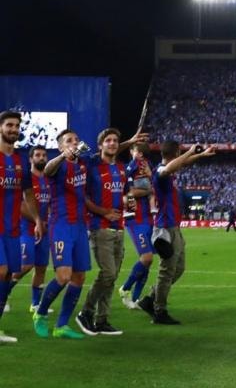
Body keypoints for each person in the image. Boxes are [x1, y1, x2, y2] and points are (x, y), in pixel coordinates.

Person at [75, 128, 144, 336]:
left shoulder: (122, 168)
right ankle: (86, 312)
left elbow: (127, 193)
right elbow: (84, 197)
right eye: (108, 140)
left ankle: (102, 320)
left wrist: (130, 204)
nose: (112, 143)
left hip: (119, 228)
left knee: (112, 277)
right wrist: (103, 211)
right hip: (100, 227)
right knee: (108, 273)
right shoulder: (92, 165)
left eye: (115, 140)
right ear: (100, 145)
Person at [137, 141, 215, 325]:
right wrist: (189, 152)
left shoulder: (169, 171)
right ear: (177, 152)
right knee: (166, 271)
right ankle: (159, 311)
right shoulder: (160, 171)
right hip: (165, 228)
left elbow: (180, 164)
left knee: (178, 269)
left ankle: (150, 299)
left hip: (174, 227)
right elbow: (168, 168)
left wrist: (200, 155)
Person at [32, 129, 100, 339]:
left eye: (76, 140)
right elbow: (47, 169)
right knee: (63, 276)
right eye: (69, 141)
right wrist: (63, 156)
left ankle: (61, 326)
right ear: (61, 146)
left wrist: (129, 143)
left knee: (79, 277)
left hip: (80, 226)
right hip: (61, 225)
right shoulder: (57, 166)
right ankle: (40, 313)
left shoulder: (83, 163)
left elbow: (107, 152)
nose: (74, 143)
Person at [0, 111, 43, 344]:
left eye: (17, 126)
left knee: (8, 276)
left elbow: (28, 194)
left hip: (13, 230)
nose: (14, 129)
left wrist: (37, 220)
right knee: (2, 270)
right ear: (0, 128)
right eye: (9, 125)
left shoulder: (19, 161)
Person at [4, 146, 50, 315]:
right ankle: (4, 293)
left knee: (41, 267)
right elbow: (21, 205)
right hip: (25, 229)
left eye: (44, 155)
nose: (41, 158)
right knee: (25, 265)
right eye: (37, 155)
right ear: (30, 159)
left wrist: (48, 220)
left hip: (43, 231)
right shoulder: (26, 178)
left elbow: (49, 203)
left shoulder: (48, 180)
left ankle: (35, 304)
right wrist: (38, 221)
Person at [118, 142, 155, 310]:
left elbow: (154, 187)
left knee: (147, 262)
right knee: (147, 258)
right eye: (134, 150)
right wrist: (148, 191)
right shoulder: (129, 168)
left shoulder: (148, 167)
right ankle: (125, 288)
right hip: (135, 219)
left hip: (148, 218)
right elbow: (130, 193)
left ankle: (135, 298)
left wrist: (150, 188)